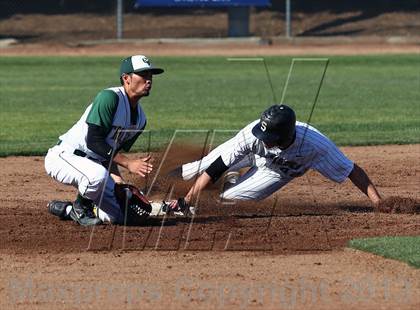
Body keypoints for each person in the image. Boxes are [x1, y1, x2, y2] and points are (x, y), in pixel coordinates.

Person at [167, 104, 382, 212]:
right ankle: (158, 183)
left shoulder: (316, 146)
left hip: (275, 172)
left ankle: (230, 181)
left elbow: (351, 170)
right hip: (251, 154)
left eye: (270, 137)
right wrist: (188, 198)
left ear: (286, 135)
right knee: (200, 167)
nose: (264, 139)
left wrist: (378, 202)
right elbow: (216, 166)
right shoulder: (253, 135)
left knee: (229, 201)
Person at [45, 55, 164, 225]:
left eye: (150, 76)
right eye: (143, 75)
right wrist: (129, 163)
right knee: (97, 176)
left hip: (94, 167)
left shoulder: (140, 120)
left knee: (123, 217)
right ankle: (80, 208)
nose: (149, 80)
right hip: (65, 157)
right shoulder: (109, 98)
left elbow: (109, 153)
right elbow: (93, 141)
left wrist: (118, 182)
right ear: (126, 79)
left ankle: (67, 209)